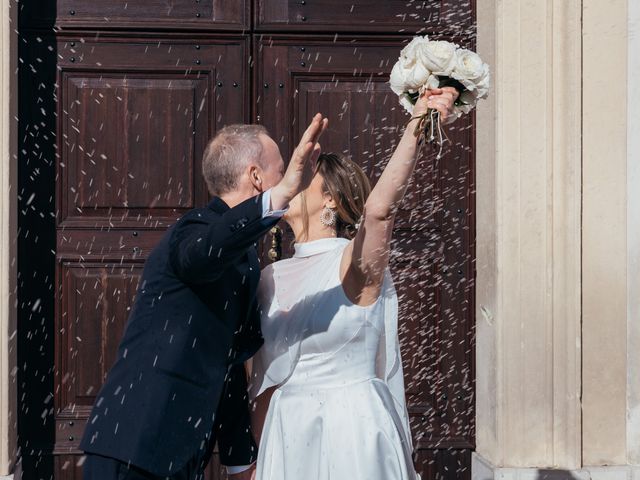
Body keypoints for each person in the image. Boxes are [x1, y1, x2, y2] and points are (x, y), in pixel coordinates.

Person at [80, 114, 328, 480]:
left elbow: (227, 364)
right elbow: (206, 252)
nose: (293, 183)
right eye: (283, 172)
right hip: (135, 443)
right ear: (257, 177)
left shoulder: (242, 258)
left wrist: (240, 461)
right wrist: (280, 195)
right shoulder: (195, 230)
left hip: (177, 455)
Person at [249, 88, 459, 480]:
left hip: (351, 429)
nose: (290, 183)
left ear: (330, 199)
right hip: (288, 432)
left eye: (305, 178)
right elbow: (262, 383)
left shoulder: (352, 263)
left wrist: (416, 126)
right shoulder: (266, 278)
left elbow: (379, 212)